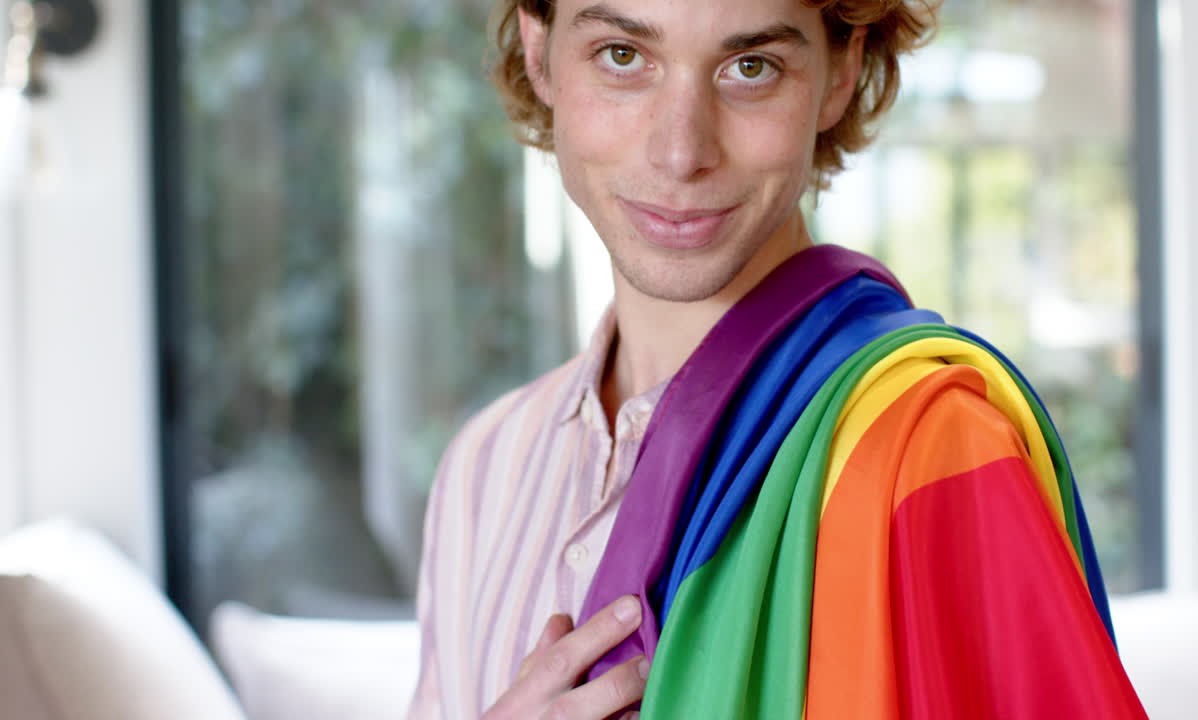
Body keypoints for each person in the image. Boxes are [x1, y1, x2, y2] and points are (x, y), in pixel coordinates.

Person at [409, 0, 1148, 718]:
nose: (681, 151)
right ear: (540, 53)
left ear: (839, 73)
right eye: (624, 56)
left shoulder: (928, 445)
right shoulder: (483, 470)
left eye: (751, 66)